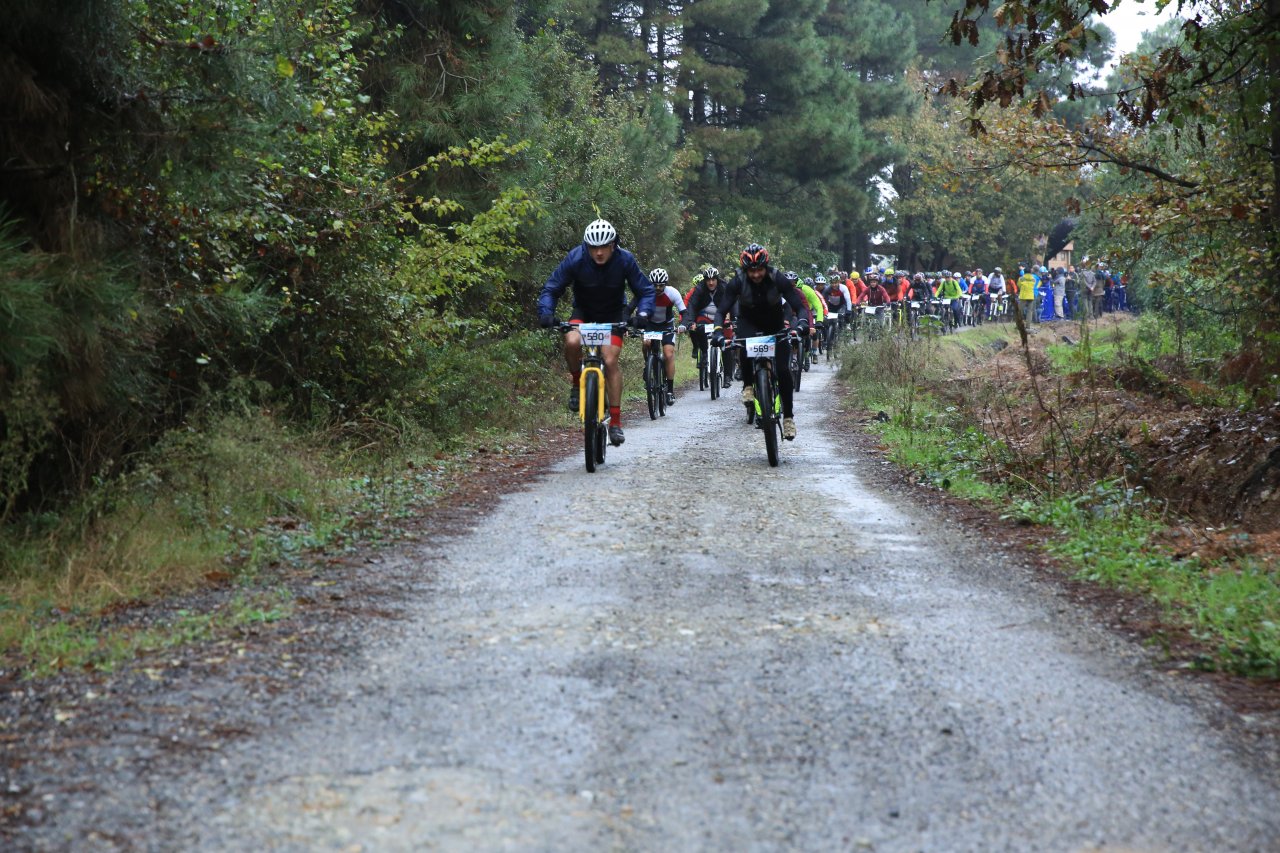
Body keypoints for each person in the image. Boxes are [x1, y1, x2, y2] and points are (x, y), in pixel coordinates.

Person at [539, 218, 654, 447]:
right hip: (584, 311)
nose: (599, 253)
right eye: (593, 248)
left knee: (610, 360)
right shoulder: (575, 258)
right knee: (571, 341)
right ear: (587, 247)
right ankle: (576, 383)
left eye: (604, 247)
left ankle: (616, 422)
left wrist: (642, 315)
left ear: (613, 245)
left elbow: (645, 290)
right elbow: (552, 288)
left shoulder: (625, 260)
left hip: (613, 315)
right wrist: (546, 312)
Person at [722, 243, 808, 440]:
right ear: (745, 270)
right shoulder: (737, 281)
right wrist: (719, 331)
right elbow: (721, 310)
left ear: (766, 267)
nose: (756, 275)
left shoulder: (778, 278)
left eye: (759, 269)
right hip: (748, 322)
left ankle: (788, 418)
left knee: (784, 371)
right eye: (751, 271)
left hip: (775, 324)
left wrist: (801, 324)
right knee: (741, 344)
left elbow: (799, 307)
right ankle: (749, 386)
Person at [629, 268, 686, 407]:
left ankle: (670, 391)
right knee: (646, 343)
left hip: (666, 325)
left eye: (661, 285)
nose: (658, 288)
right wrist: (628, 326)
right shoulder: (644, 292)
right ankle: (647, 365)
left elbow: (684, 312)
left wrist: (683, 325)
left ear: (666, 284)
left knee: (668, 354)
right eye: (655, 285)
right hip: (649, 325)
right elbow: (631, 308)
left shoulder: (672, 293)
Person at [684, 263, 737, 381]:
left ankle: (728, 376)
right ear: (705, 280)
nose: (711, 283)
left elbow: (733, 304)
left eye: (713, 280)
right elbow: (692, 305)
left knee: (727, 344)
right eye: (708, 280)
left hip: (722, 317)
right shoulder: (699, 288)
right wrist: (690, 321)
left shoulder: (724, 287)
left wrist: (734, 320)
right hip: (705, 317)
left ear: (717, 279)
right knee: (699, 328)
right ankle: (704, 353)